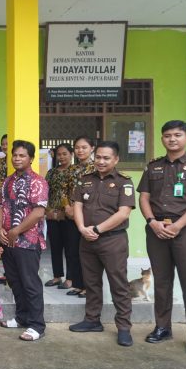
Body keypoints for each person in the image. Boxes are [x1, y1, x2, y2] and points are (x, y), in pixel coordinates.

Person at [138, 120, 186, 356]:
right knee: (162, 282)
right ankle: (163, 327)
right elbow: (144, 198)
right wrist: (152, 222)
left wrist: (178, 225)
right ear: (162, 139)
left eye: (177, 135)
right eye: (167, 135)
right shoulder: (153, 166)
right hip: (157, 229)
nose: (172, 139)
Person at [69, 141, 135, 347]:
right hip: (87, 239)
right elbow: (77, 205)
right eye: (98, 157)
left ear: (116, 159)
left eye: (106, 158)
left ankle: (123, 327)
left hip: (112, 240)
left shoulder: (124, 182)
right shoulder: (85, 180)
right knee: (91, 282)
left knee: (119, 284)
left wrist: (97, 230)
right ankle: (92, 320)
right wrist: (82, 228)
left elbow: (123, 213)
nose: (101, 161)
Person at [0, 140, 48, 341]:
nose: (17, 159)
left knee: (30, 283)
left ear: (31, 158)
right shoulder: (7, 181)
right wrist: (0, 228)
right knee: (15, 282)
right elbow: (0, 206)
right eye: (15, 155)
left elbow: (38, 212)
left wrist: (16, 230)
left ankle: (37, 325)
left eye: (22, 155)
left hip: (28, 241)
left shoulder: (38, 182)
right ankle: (22, 318)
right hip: (8, 241)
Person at [62, 136, 96, 298]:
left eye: (84, 147)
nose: (80, 150)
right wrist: (67, 207)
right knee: (72, 251)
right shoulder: (71, 169)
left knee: (88, 253)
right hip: (71, 216)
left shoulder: (96, 167)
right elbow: (63, 190)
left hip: (89, 216)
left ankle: (88, 287)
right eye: (77, 148)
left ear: (92, 148)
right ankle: (77, 283)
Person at [43, 143, 79, 288]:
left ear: (71, 154)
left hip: (69, 215)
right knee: (55, 247)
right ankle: (57, 276)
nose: (62, 157)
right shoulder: (51, 172)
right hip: (52, 215)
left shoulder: (75, 171)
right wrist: (48, 211)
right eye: (59, 154)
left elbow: (76, 193)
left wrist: (67, 211)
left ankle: (70, 278)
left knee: (71, 248)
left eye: (65, 154)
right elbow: (45, 192)